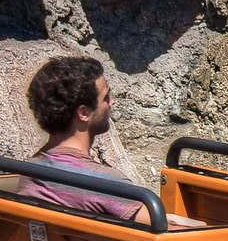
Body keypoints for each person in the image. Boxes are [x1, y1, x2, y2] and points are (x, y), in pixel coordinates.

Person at [19, 56, 200, 230]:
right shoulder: (102, 183)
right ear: (83, 113)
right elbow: (172, 233)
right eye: (105, 98)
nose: (112, 102)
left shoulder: (28, 172)